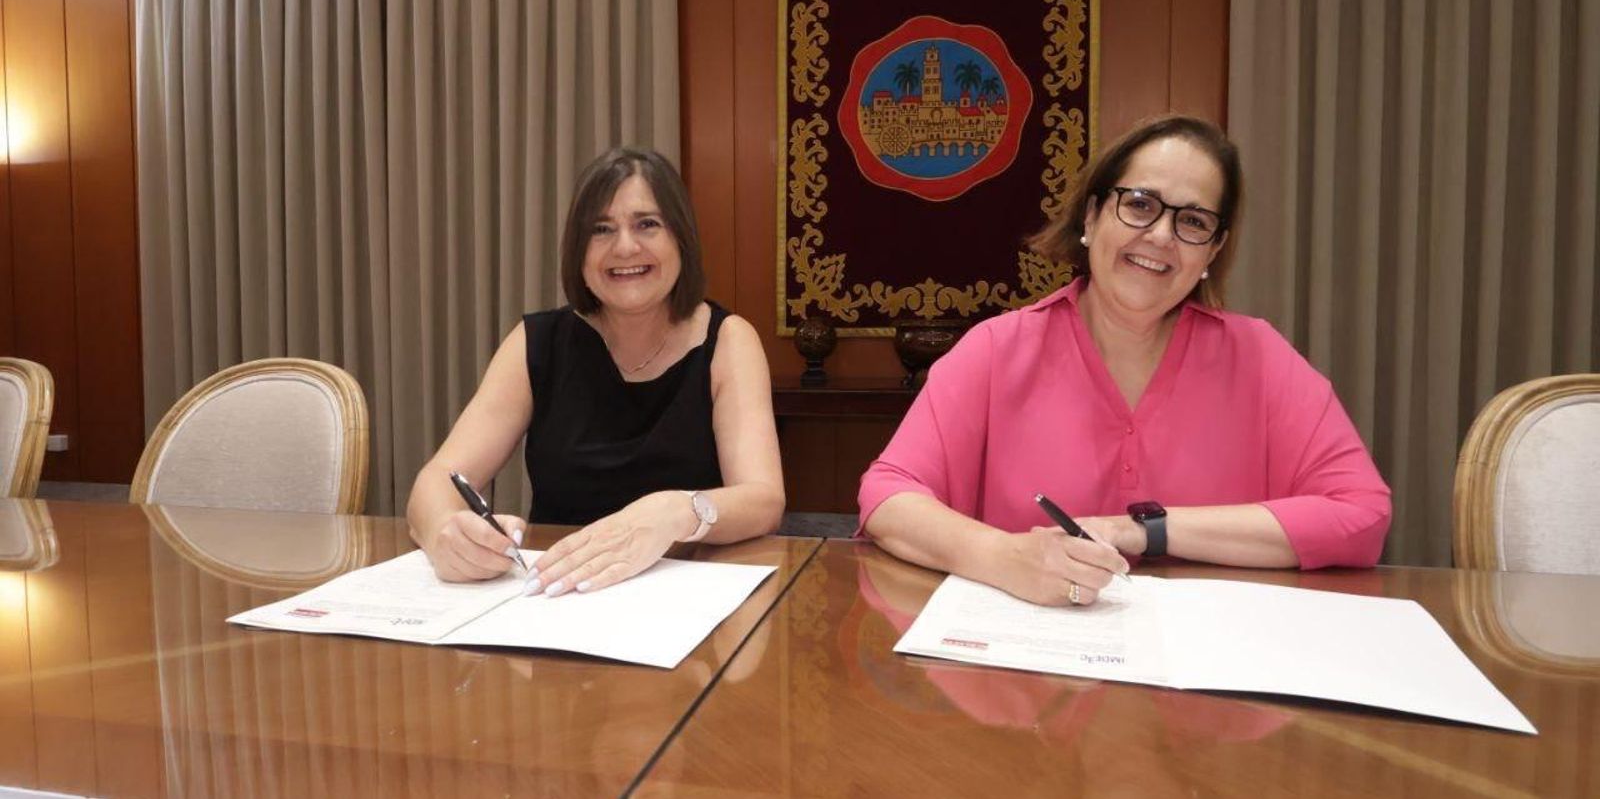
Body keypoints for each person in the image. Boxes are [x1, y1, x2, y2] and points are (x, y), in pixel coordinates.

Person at [858, 115, 1391, 606]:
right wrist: (1004, 558)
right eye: (1139, 204)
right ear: (1092, 215)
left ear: (1212, 250)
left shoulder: (1261, 357)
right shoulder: (998, 349)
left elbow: (1362, 513)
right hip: (1028, 685)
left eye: (1194, 221)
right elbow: (887, 498)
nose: (1160, 236)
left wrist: (1144, 530)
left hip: (1207, 682)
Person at [407, 147, 784, 595]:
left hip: (685, 596)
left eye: (647, 224)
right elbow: (436, 481)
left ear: (680, 239)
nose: (625, 247)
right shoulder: (537, 341)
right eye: (601, 230)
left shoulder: (729, 340)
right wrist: (445, 532)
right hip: (561, 595)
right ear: (578, 252)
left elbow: (763, 500)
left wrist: (678, 511)